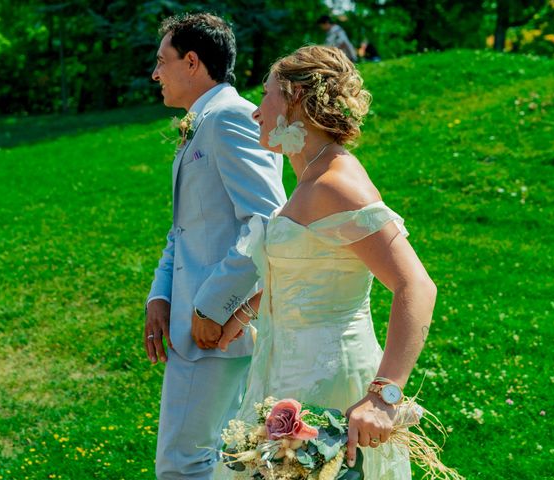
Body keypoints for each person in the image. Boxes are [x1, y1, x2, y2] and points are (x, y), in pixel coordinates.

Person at [217, 45, 437, 478]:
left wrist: (383, 396)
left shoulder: (338, 183)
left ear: (296, 97)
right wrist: (242, 313)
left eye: (265, 95)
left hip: (329, 382)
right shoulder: (309, 179)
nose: (256, 112)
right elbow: (306, 270)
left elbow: (417, 286)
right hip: (281, 374)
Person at [145, 13, 286, 480]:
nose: (155, 73)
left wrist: (212, 307)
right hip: (193, 317)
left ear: (192, 61)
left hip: (214, 328)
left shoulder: (229, 117)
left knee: (183, 465)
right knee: (226, 461)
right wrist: (160, 295)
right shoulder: (201, 122)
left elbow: (266, 219)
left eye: (162, 61)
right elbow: (184, 227)